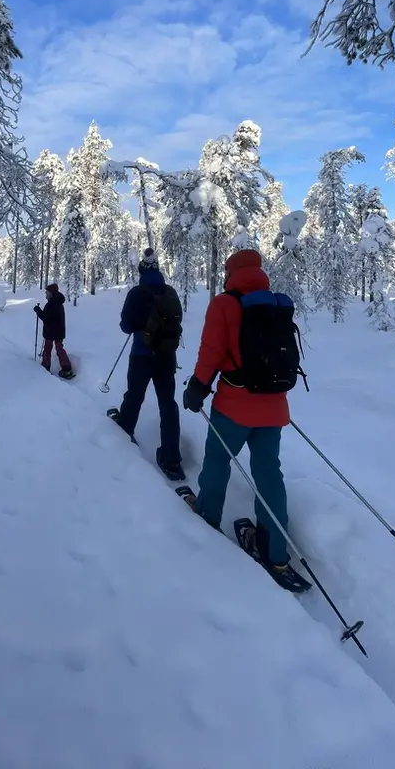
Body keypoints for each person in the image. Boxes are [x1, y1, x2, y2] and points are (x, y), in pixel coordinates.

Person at [182, 249, 310, 592]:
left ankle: (207, 518)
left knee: (218, 462)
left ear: (230, 272)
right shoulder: (273, 303)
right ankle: (275, 551)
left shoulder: (224, 303)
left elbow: (211, 351)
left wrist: (197, 387)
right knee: (269, 474)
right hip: (274, 406)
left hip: (234, 406)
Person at [109, 248, 185, 481]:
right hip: (166, 356)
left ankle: (125, 431)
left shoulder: (136, 293)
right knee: (167, 404)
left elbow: (125, 325)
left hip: (142, 354)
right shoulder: (169, 291)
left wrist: (138, 325)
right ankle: (172, 458)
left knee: (135, 394)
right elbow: (178, 318)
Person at [34, 284, 74, 379]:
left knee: (48, 349)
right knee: (59, 349)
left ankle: (45, 367)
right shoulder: (57, 302)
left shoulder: (52, 304)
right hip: (58, 331)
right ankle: (66, 368)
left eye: (47, 292)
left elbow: (45, 318)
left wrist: (38, 310)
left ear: (51, 293)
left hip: (51, 331)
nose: (45, 294)